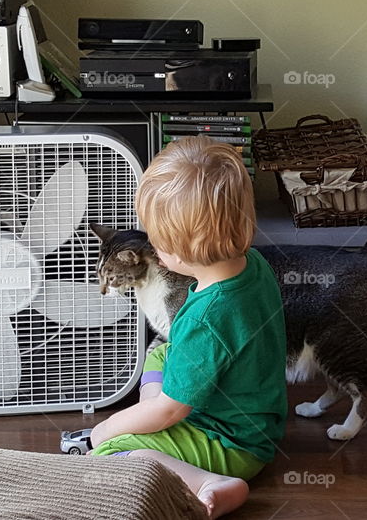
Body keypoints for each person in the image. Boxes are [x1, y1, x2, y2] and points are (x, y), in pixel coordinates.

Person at [88, 136, 287, 518]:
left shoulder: (204, 318)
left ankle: (208, 482)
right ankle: (151, 410)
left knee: (108, 451)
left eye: (158, 243)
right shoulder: (254, 264)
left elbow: (171, 412)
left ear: (185, 248)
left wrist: (109, 426)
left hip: (229, 444)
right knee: (160, 350)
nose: (153, 250)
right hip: (258, 418)